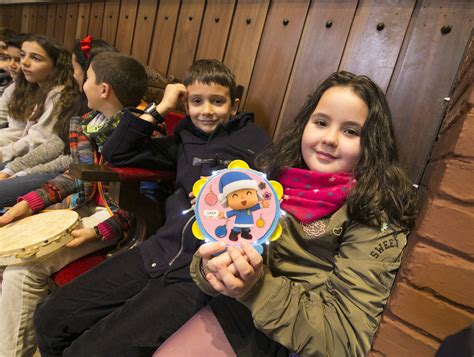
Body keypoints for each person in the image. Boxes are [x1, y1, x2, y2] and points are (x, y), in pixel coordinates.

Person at [155, 71, 418, 356]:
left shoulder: (374, 212)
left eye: (351, 131)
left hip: (297, 338)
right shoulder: (271, 181)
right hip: (241, 309)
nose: (329, 139)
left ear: (372, 145)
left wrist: (254, 288)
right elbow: (223, 252)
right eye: (320, 122)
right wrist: (210, 269)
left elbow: (345, 339)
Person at [33, 59, 271, 356]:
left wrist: (231, 203)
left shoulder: (252, 140)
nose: (206, 110)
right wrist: (161, 107)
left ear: (234, 105)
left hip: (198, 272)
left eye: (217, 102)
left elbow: (268, 201)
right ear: (186, 104)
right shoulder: (185, 138)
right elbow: (116, 152)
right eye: (197, 101)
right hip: (157, 250)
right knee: (48, 319)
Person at [0, 51, 148, 357]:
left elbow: (144, 203)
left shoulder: (141, 132)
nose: (82, 84)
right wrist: (29, 203)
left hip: (117, 220)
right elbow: (75, 175)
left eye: (88, 78)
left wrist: (99, 232)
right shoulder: (86, 123)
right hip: (84, 208)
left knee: (24, 268)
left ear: (103, 89)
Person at [0, 35, 116, 210]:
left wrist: (21, 172)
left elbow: (72, 160)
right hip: (50, 167)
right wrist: (12, 169)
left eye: (75, 68)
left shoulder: (87, 109)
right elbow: (58, 141)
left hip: (61, 174)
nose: (72, 74)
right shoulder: (82, 104)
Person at [0, 35, 81, 163]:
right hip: (20, 157)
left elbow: (39, 140)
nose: (24, 62)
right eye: (23, 55)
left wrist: (4, 153)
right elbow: (17, 130)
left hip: (42, 162)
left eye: (36, 58)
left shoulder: (58, 94)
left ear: (56, 65)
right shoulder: (27, 86)